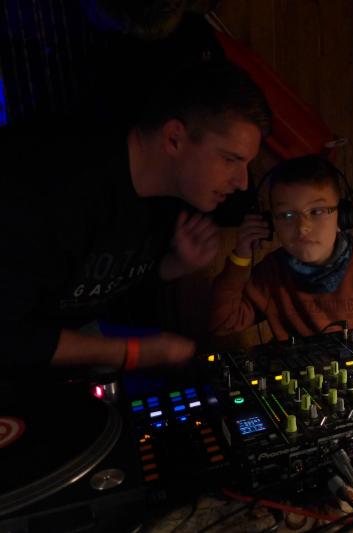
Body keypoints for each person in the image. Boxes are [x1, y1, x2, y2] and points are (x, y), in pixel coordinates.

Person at [0, 60, 271, 373]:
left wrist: (174, 265)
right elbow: (10, 335)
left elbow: (98, 279)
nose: (242, 182)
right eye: (230, 160)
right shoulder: (51, 187)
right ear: (174, 138)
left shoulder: (176, 193)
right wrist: (132, 353)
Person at [209, 155, 353, 340]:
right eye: (287, 215)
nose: (302, 227)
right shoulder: (272, 272)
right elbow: (223, 323)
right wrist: (241, 256)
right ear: (271, 222)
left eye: (317, 211)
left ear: (342, 216)